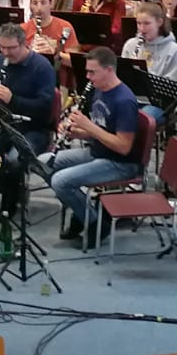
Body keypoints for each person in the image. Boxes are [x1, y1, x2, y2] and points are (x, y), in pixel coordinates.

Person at [43, 47, 142, 248]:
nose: (87, 77)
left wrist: (88, 126)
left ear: (109, 70)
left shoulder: (124, 100)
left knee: (61, 181)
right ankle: (83, 212)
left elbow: (123, 146)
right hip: (98, 152)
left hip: (120, 163)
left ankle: (96, 224)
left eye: (92, 72)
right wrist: (76, 132)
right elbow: (100, 131)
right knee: (42, 163)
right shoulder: (98, 90)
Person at [0, 23, 56, 234]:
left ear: (24, 44)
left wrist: (13, 99)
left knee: (15, 161)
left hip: (34, 128)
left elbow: (44, 107)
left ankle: (10, 203)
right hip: (1, 125)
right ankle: (3, 185)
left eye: (11, 48)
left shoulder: (42, 67)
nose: (5, 53)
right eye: (2, 47)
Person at [121, 1, 177, 111]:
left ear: (159, 22)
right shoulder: (130, 44)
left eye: (147, 23)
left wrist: (144, 76)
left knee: (142, 117)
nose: (141, 28)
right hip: (131, 97)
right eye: (138, 23)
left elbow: (170, 87)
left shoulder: (173, 50)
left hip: (157, 102)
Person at [21, 0, 75, 67]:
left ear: (51, 3)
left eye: (43, 3)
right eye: (35, 3)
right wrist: (29, 53)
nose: (39, 8)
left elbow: (75, 62)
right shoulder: (22, 29)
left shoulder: (65, 27)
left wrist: (55, 54)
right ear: (30, 5)